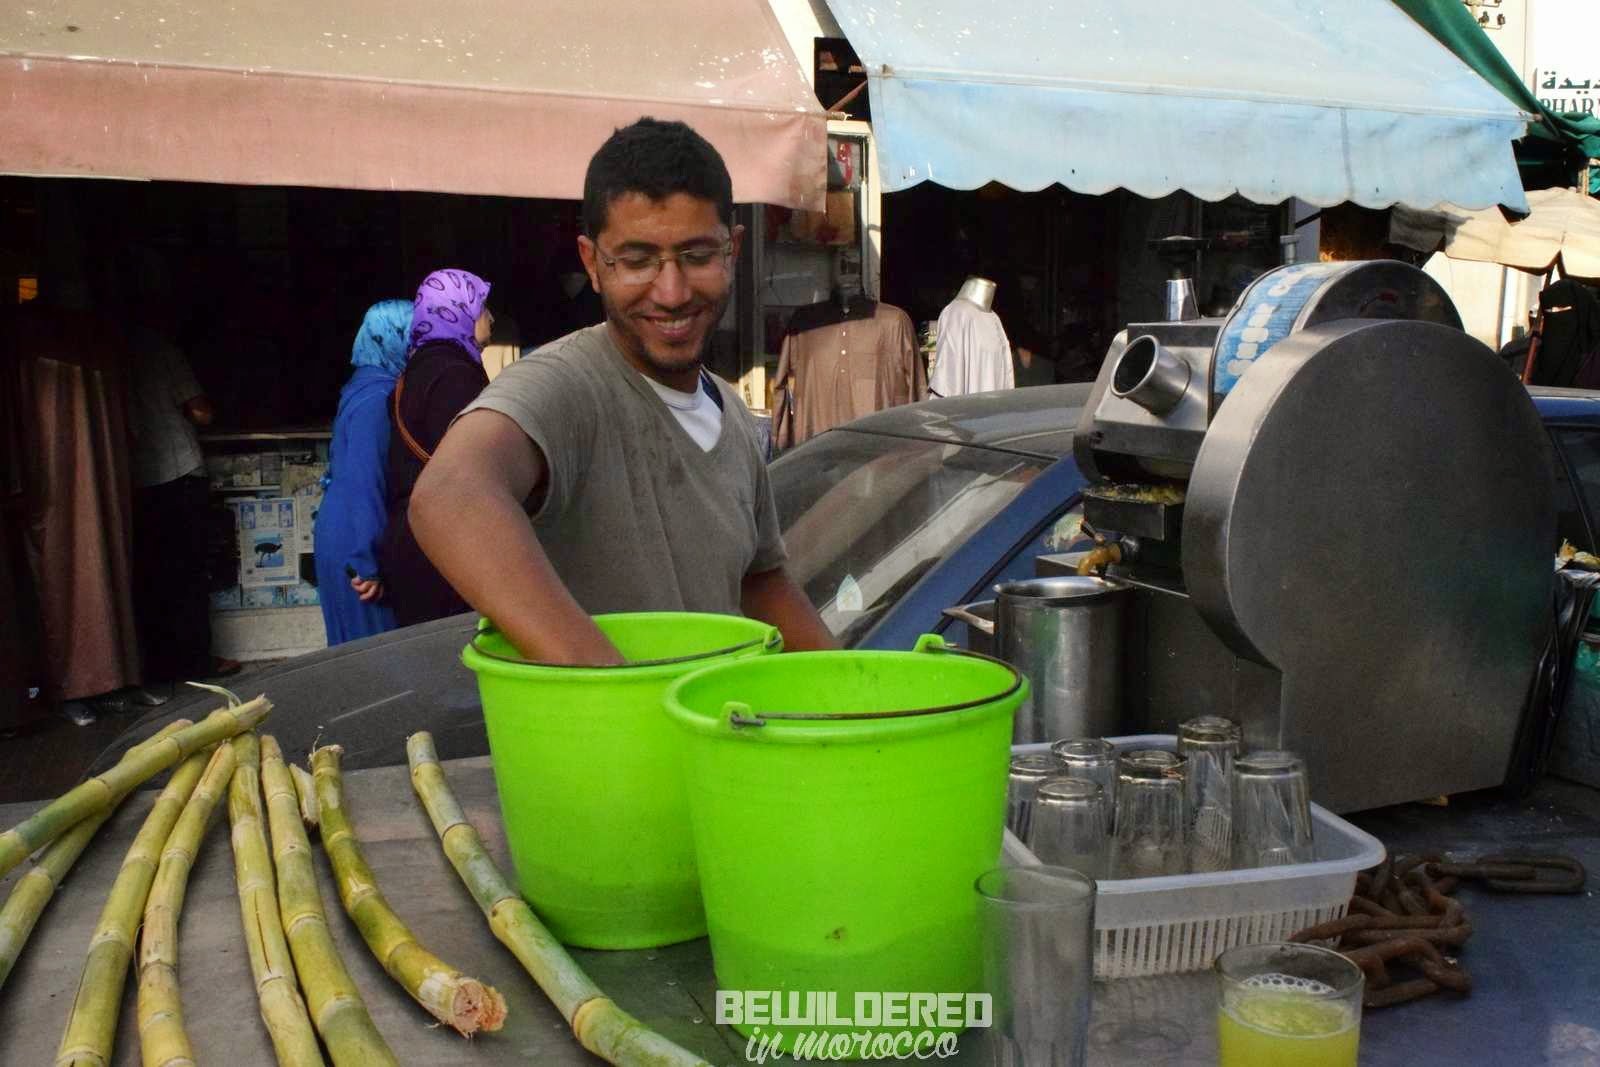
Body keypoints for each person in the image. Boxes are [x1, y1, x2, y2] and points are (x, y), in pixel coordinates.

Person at [409, 118, 834, 663]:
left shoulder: (729, 410)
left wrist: (856, 691)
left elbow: (760, 580)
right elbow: (451, 496)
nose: (672, 292)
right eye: (636, 261)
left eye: (698, 255)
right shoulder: (565, 386)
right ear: (592, 262)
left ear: (733, 250)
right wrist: (609, 683)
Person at [376, 270, 493, 626]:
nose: (491, 318)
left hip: (409, 536)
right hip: (443, 545)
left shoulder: (411, 373)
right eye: (483, 307)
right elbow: (468, 467)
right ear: (460, 309)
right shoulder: (455, 375)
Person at [127, 321, 240, 688]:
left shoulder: (110, 350)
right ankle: (195, 661)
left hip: (137, 475)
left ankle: (159, 665)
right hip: (178, 469)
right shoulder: (161, 349)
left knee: (152, 575)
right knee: (189, 573)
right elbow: (202, 412)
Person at [314, 299, 411, 644]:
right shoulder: (378, 398)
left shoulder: (364, 384)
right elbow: (366, 480)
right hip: (355, 537)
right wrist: (367, 563)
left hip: (343, 528)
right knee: (374, 654)